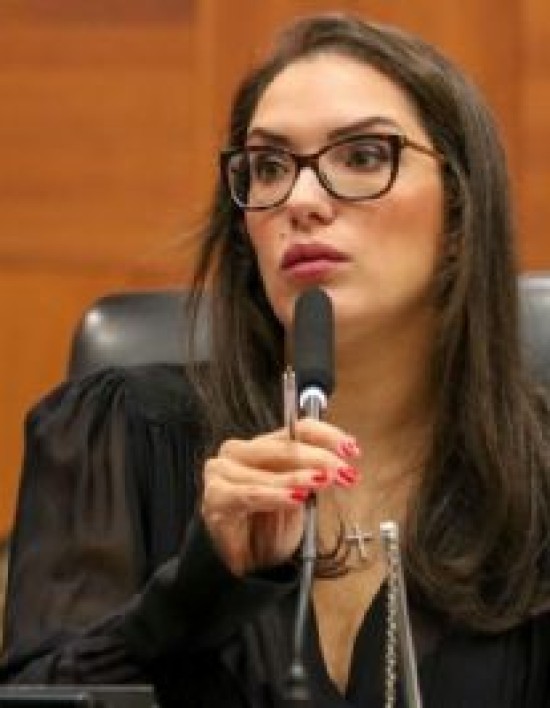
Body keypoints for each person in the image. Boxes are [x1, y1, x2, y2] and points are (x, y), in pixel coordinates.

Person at [1, 12, 550, 707]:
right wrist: (199, 585)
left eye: (363, 157)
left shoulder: (538, 478)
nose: (301, 199)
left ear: (459, 213)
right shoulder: (118, 437)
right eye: (269, 168)